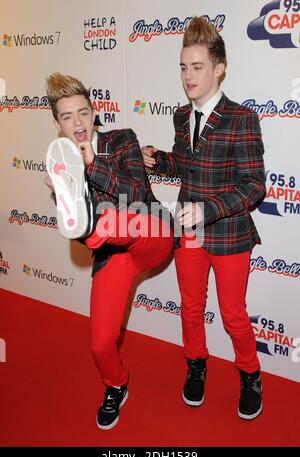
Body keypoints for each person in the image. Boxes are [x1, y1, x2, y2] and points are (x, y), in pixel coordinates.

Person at [142, 17, 266, 420]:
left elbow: (253, 186)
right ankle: (195, 366)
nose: (188, 76)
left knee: (232, 313)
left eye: (196, 67)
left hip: (229, 233)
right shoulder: (181, 116)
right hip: (187, 234)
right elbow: (184, 164)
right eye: (182, 67)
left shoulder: (242, 118)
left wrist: (208, 209)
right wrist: (158, 160)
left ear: (219, 68)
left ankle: (250, 374)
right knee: (191, 307)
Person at [45, 72, 174, 430]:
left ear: (94, 111)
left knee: (121, 219)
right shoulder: (62, 164)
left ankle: (97, 224)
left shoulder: (121, 139)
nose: (78, 123)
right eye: (67, 117)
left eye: (83, 113)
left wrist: (91, 165)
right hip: (111, 253)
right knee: (101, 345)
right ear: (57, 123)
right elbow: (77, 239)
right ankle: (116, 384)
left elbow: (135, 194)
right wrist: (64, 191)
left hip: (150, 230)